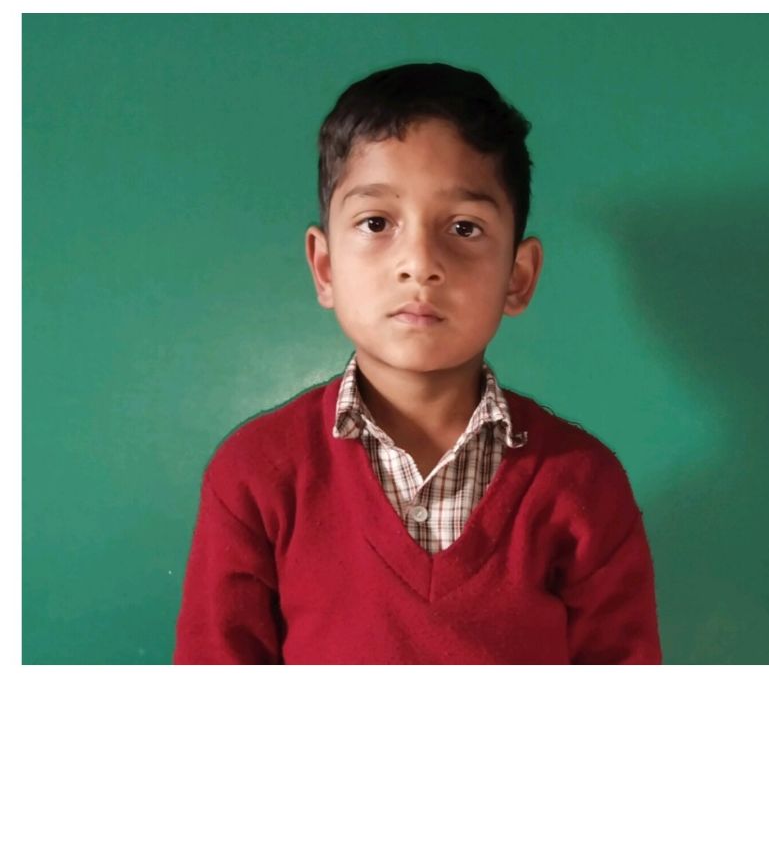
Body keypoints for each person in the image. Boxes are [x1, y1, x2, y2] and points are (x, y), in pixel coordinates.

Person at [173, 62, 662, 664]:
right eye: (377, 223)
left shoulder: (583, 485)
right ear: (324, 267)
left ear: (518, 276)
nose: (420, 263)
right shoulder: (256, 476)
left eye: (464, 227)